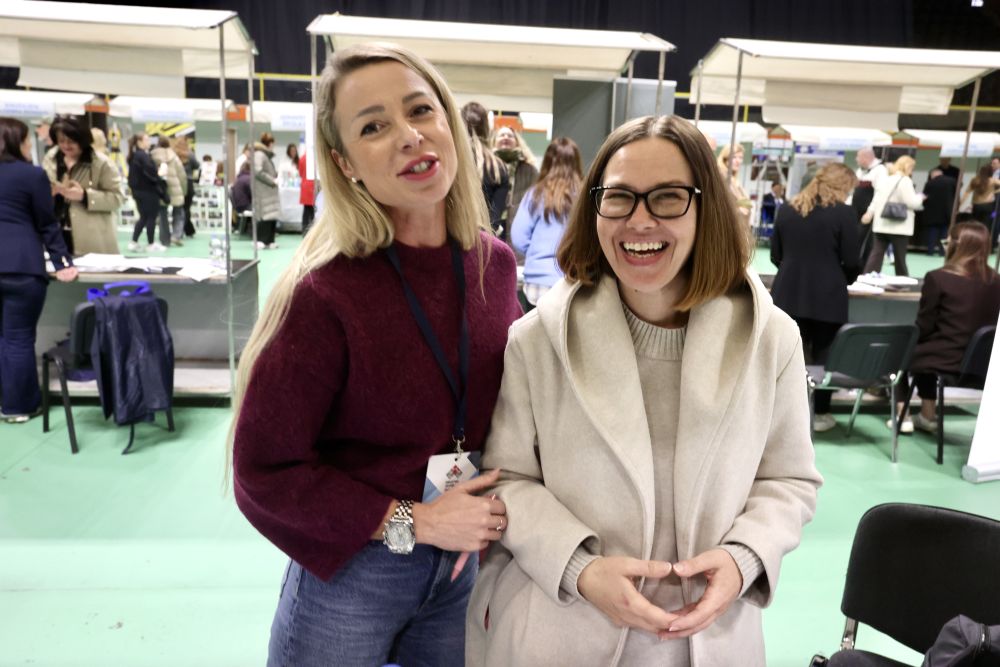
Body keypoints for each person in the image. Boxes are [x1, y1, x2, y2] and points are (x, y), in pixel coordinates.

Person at [466, 115, 821, 666]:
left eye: (668, 198)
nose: (639, 220)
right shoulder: (538, 339)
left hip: (709, 637)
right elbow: (507, 479)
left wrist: (744, 558)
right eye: (619, 197)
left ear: (706, 209)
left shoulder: (770, 338)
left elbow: (789, 480)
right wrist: (581, 569)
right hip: (562, 629)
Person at [230, 43, 522, 667]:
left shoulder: (493, 267)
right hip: (355, 571)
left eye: (420, 110)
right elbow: (263, 471)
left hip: (460, 565)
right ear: (345, 163)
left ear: (448, 120)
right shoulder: (325, 293)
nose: (409, 136)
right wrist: (415, 522)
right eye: (373, 127)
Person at [770, 163, 860, 433]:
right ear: (842, 186)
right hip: (828, 296)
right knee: (825, 358)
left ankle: (783, 417)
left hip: (787, 293)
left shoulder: (787, 209)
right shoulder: (844, 213)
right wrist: (842, 278)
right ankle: (820, 413)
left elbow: (776, 255)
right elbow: (852, 260)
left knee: (786, 358)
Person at [0, 118, 78, 423]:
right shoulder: (32, 175)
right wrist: (62, 263)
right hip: (22, 267)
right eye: (26, 140)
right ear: (16, 142)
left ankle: (5, 399)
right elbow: (47, 223)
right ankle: (19, 406)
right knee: (18, 338)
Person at [895, 221, 1000, 434]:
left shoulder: (938, 278)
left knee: (901, 350)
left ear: (955, 245)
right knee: (924, 353)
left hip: (946, 358)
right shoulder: (996, 281)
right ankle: (927, 415)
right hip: (981, 360)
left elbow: (924, 326)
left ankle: (902, 415)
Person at [510, 136, 582, 307]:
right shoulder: (584, 196)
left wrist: (537, 254)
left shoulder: (535, 194)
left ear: (547, 162)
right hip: (572, 280)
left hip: (537, 283)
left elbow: (518, 238)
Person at [42, 115, 123, 256]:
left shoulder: (102, 163)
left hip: (92, 239)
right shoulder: (51, 158)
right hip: (56, 235)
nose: (66, 146)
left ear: (83, 139)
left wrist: (85, 196)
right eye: (61, 141)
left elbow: (117, 199)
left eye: (71, 141)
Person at [862, 155, 924, 277]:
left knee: (876, 255)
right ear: (908, 167)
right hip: (899, 226)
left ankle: (867, 278)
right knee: (900, 259)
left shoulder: (885, 179)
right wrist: (920, 198)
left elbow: (876, 199)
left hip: (881, 224)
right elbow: (911, 202)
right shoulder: (905, 181)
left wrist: (870, 212)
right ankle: (902, 282)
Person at [461, 102, 509, 234]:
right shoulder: (499, 167)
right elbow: (494, 220)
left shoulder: (451, 159)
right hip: (483, 239)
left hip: (452, 235)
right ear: (487, 129)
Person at [492, 125, 539, 244]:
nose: (506, 137)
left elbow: (537, 200)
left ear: (517, 142)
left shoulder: (530, 170)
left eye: (510, 135)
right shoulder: (486, 167)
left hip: (519, 226)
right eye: (502, 135)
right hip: (492, 225)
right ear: (494, 142)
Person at [851, 147, 888, 267]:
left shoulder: (880, 170)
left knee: (866, 243)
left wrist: (870, 212)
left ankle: (863, 268)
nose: (856, 159)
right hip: (856, 212)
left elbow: (880, 193)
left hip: (868, 214)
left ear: (866, 157)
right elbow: (854, 191)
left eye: (858, 156)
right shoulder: (860, 171)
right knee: (855, 240)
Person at [126, 133, 162, 253]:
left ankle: (134, 242)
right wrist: (160, 173)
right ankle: (151, 243)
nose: (149, 142)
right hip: (147, 191)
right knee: (151, 217)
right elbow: (151, 173)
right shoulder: (142, 156)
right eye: (146, 140)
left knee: (144, 217)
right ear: (139, 142)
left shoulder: (135, 156)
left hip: (138, 192)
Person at [151, 136, 188, 248]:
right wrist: (184, 190)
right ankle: (176, 235)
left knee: (162, 214)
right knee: (179, 213)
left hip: (161, 189)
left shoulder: (152, 156)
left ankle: (164, 240)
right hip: (175, 187)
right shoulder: (174, 156)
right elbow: (182, 175)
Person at [252, 132, 281, 250]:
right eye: (272, 144)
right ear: (269, 143)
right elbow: (257, 171)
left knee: (271, 216)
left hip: (268, 190)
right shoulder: (259, 154)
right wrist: (272, 180)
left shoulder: (264, 155)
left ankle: (269, 240)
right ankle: (262, 240)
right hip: (263, 191)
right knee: (265, 216)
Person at [922, 168, 957, 256]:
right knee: (945, 233)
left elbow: (924, 197)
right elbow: (956, 195)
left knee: (932, 233)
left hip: (932, 212)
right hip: (947, 211)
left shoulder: (929, 183)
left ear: (933, 175)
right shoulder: (951, 181)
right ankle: (944, 251)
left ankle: (930, 250)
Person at [717, 143, 751, 224]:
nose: (738, 161)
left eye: (740, 157)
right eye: (734, 157)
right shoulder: (721, 178)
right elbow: (718, 204)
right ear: (725, 158)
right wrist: (738, 210)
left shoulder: (733, 180)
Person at [173, 137, 200, 237]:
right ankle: (184, 231)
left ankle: (183, 230)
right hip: (188, 182)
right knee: (186, 208)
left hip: (177, 183)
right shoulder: (190, 155)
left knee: (177, 208)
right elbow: (197, 165)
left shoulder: (173, 155)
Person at [230, 161, 253, 233]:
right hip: (245, 206)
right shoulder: (248, 179)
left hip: (238, 206)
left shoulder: (239, 178)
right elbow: (253, 194)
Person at [299, 152, 315, 234]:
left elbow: (300, 173)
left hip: (305, 186)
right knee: (314, 211)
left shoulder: (302, 158)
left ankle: (304, 231)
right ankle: (313, 231)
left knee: (306, 211)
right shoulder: (316, 157)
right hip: (314, 185)